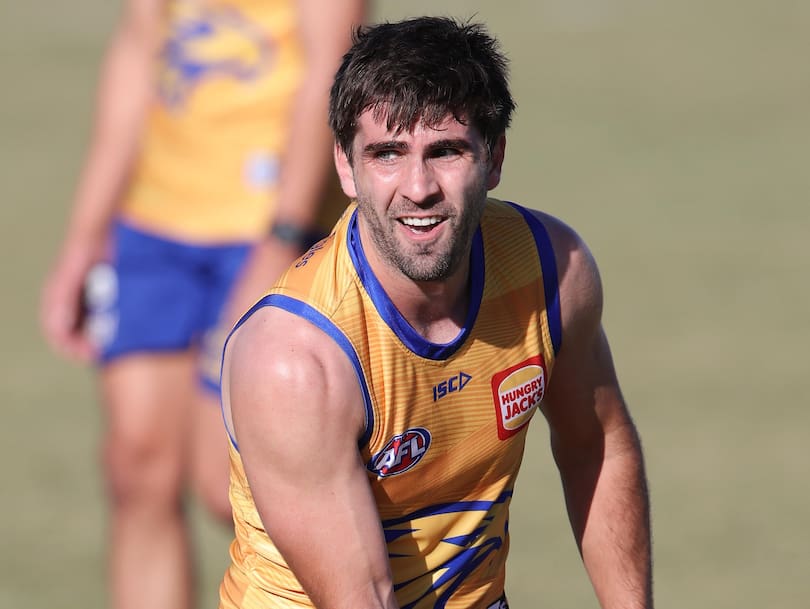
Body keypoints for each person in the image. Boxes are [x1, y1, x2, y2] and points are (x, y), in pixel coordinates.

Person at [218, 15, 653, 609]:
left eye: (445, 151)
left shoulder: (553, 270)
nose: (418, 187)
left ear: (494, 157)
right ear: (346, 168)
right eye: (388, 154)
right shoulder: (296, 359)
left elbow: (597, 447)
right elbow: (361, 597)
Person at [39, 1, 365, 608]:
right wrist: (85, 235)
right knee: (137, 470)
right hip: (152, 227)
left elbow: (333, 66)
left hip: (265, 227)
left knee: (236, 487)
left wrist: (285, 237)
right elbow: (140, 50)